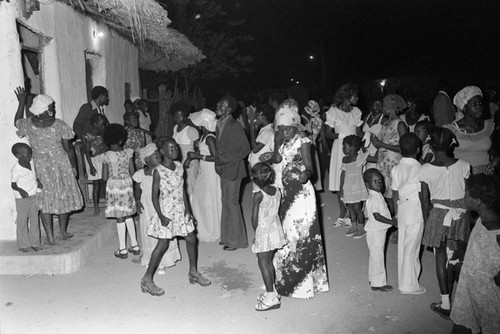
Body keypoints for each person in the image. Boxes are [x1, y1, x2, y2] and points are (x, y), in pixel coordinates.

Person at [271, 99, 329, 299]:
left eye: (287, 129)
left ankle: (304, 283)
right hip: (287, 192)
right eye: (281, 129)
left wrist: (306, 174)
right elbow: (278, 159)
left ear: (296, 125)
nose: (284, 132)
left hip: (302, 194)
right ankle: (287, 277)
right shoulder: (282, 138)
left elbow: (309, 166)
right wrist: (274, 149)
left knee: (302, 235)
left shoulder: (303, 141)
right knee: (288, 234)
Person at [141, 137, 211, 296]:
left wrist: (189, 211)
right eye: (171, 148)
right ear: (163, 151)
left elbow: (182, 191)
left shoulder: (179, 167)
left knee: (191, 238)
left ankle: (193, 272)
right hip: (166, 212)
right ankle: (147, 279)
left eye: (176, 148)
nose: (175, 151)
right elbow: (154, 196)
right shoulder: (158, 171)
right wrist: (161, 216)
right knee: (163, 244)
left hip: (180, 209)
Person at [15, 94, 83, 245]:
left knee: (44, 198)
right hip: (60, 163)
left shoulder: (28, 124)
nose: (53, 107)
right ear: (45, 108)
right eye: (51, 105)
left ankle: (51, 237)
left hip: (40, 165)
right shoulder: (59, 124)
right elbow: (68, 148)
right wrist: (74, 166)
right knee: (63, 194)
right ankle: (63, 233)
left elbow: (16, 122)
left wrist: (21, 103)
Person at [420, 127, 471, 320]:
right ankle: (467, 300)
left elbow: (425, 201)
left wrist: (428, 226)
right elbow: (469, 195)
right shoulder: (464, 165)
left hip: (438, 217)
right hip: (461, 215)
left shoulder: (425, 169)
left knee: (440, 257)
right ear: (452, 145)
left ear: (431, 146)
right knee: (458, 257)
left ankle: (446, 303)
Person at [450, 174, 500, 334]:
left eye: (466, 194)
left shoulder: (496, 234)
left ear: (478, 201)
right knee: (462, 324)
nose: (464, 197)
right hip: (467, 291)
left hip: (488, 298)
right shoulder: (481, 220)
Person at [133, 144, 181, 273]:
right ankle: (150, 260)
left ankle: (163, 262)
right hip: (146, 206)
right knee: (147, 231)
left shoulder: (162, 171)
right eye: (155, 156)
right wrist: (137, 201)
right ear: (147, 160)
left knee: (162, 232)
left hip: (161, 206)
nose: (158, 157)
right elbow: (137, 188)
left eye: (159, 155)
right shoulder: (140, 174)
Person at [391, 133, 426, 295]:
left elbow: (395, 194)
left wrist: (397, 215)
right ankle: (408, 285)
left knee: (404, 247)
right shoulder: (420, 169)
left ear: (400, 149)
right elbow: (423, 196)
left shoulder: (397, 168)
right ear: (418, 150)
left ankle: (404, 280)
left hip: (402, 210)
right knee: (412, 248)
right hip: (415, 210)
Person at [215, 96, 251, 251]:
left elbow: (245, 149)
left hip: (234, 169)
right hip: (224, 169)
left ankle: (238, 241)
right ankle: (227, 237)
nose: (218, 106)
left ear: (229, 109)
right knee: (226, 202)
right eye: (218, 104)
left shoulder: (235, 126)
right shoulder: (219, 123)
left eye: (221, 105)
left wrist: (226, 159)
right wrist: (219, 163)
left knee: (232, 203)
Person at [325, 83, 363, 227]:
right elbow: (328, 133)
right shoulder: (333, 112)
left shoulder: (357, 112)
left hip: (354, 149)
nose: (357, 98)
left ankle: (352, 214)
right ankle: (342, 214)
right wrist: (343, 135)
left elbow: (359, 133)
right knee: (339, 182)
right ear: (347, 97)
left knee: (353, 182)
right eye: (355, 95)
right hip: (340, 148)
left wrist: (366, 140)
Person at [101, 124, 140, 259]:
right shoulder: (127, 153)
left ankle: (123, 249)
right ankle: (135, 245)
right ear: (121, 140)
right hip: (127, 185)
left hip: (114, 187)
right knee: (128, 214)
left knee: (120, 217)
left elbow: (105, 177)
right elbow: (133, 172)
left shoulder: (106, 156)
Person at [250, 162, 286, 311]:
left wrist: (256, 234)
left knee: (263, 263)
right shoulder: (277, 190)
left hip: (264, 231)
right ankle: (273, 291)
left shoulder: (258, 195)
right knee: (269, 261)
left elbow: (254, 219)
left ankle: (271, 296)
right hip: (274, 229)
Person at [186, 109, 222, 242]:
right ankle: (204, 228)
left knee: (208, 199)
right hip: (204, 170)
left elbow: (216, 157)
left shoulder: (210, 138)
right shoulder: (204, 136)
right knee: (201, 199)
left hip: (210, 171)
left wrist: (197, 156)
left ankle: (212, 230)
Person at [445, 86, 495, 174]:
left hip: (486, 177)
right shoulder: (452, 130)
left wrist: (495, 160)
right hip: (463, 177)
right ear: (464, 108)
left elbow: (493, 149)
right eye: (474, 104)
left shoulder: (488, 126)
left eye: (480, 103)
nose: (479, 107)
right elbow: (445, 156)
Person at [372, 94, 408, 212]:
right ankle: (392, 222)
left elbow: (405, 148)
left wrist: (381, 145)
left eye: (383, 105)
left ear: (389, 107)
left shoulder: (400, 124)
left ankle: (398, 222)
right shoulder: (386, 123)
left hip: (394, 166)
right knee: (386, 196)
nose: (381, 107)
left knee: (395, 196)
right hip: (383, 165)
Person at [363, 168, 397, 292]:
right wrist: (391, 222)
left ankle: (373, 278)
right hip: (376, 232)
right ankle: (379, 283)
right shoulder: (373, 198)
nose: (378, 183)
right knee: (378, 257)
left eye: (380, 181)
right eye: (374, 181)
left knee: (374, 256)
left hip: (377, 231)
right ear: (367, 184)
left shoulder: (377, 196)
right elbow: (377, 216)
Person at [10, 143, 42, 252]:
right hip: (22, 199)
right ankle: (23, 244)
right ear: (19, 156)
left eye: (30, 153)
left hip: (33, 195)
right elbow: (13, 185)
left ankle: (35, 242)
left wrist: (38, 184)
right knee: (22, 221)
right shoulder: (16, 169)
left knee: (34, 220)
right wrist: (21, 190)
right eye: (28, 154)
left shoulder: (31, 162)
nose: (30, 156)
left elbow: (33, 176)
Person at [339, 135, 367, 239]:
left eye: (344, 146)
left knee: (357, 208)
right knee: (350, 208)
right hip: (348, 186)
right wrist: (341, 187)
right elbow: (342, 174)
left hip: (357, 186)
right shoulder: (345, 159)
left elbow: (372, 157)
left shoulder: (360, 157)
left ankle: (361, 229)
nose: (342, 148)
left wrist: (364, 148)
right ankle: (354, 226)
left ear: (352, 147)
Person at [171, 102, 199, 202]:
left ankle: (193, 211)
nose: (178, 118)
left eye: (181, 115)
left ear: (185, 116)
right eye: (176, 115)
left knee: (190, 187)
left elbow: (198, 148)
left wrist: (189, 159)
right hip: (179, 162)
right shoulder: (175, 128)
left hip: (189, 163)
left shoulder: (190, 130)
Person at [83, 114, 107, 215]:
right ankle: (96, 207)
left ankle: (109, 203)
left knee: (106, 182)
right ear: (95, 124)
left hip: (103, 158)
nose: (103, 125)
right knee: (96, 185)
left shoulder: (102, 134)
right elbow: (87, 152)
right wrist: (91, 167)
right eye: (101, 124)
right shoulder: (89, 135)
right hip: (94, 161)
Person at [248, 104, 275, 168]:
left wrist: (251, 129)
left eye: (257, 115)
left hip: (260, 168)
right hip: (257, 166)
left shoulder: (268, 132)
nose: (255, 118)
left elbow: (255, 149)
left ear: (263, 117)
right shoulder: (264, 130)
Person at [362, 99, 387, 170]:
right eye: (376, 105)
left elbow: (385, 137)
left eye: (380, 105)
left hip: (377, 150)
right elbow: (360, 133)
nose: (378, 107)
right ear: (371, 105)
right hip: (365, 149)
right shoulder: (366, 117)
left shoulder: (384, 119)